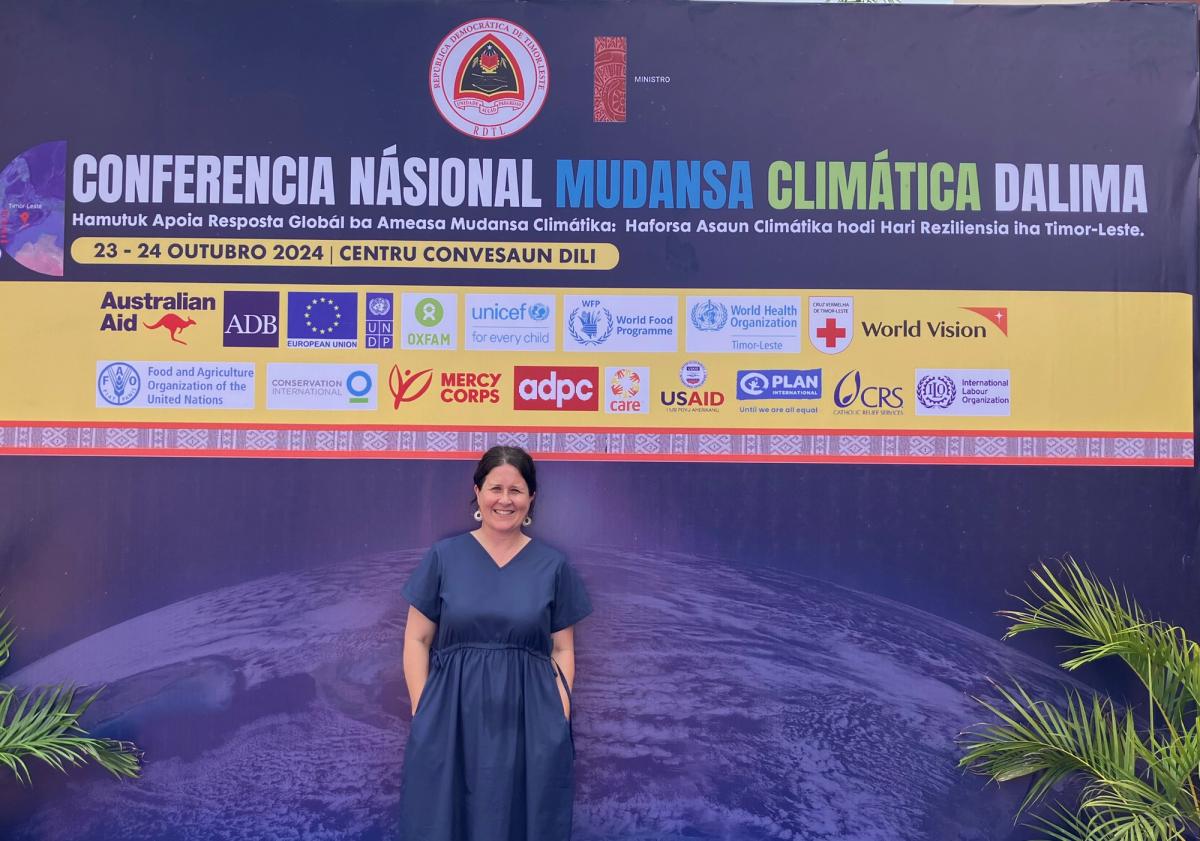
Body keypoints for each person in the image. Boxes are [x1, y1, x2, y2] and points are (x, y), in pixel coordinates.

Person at [401, 445, 593, 841]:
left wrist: (557, 713)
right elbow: (417, 639)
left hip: (529, 718)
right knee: (443, 820)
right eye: (495, 488)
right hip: (451, 716)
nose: (505, 500)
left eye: (516, 490)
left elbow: (563, 649)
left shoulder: (553, 566)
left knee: (524, 819)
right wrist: (425, 709)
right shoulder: (444, 557)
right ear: (477, 491)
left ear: (532, 498)